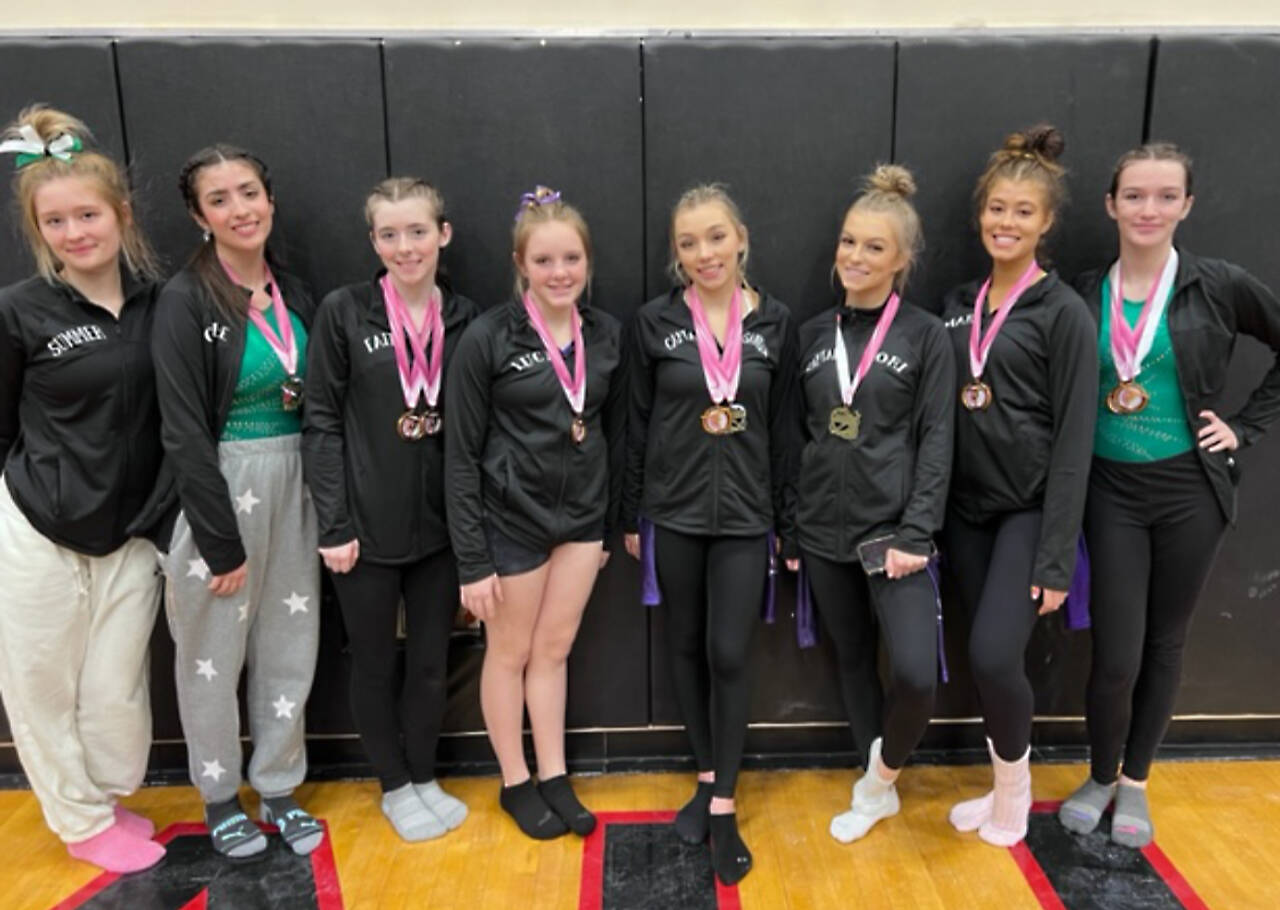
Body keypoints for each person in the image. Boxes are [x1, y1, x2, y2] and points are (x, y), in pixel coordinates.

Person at [1057, 143, 1280, 847]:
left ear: (1186, 205)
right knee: (1115, 652)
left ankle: (1137, 784)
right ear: (1110, 205)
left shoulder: (1219, 285)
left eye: (1164, 196)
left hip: (1190, 490)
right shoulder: (1082, 290)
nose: (1147, 209)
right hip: (1109, 490)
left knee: (1165, 641)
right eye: (1134, 195)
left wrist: (1244, 426)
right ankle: (1099, 774)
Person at [0, 105, 166, 873]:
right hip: (38, 526)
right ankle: (78, 819)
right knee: (40, 687)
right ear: (39, 231)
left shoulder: (162, 303)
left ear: (119, 213)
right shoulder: (20, 310)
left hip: (130, 534)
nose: (77, 232)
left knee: (111, 697)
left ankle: (101, 796)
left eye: (88, 214)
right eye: (56, 220)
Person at [622, 184, 797, 885]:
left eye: (716, 237)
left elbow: (786, 430)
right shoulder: (653, 322)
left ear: (741, 237)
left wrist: (786, 521)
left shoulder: (778, 322)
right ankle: (704, 776)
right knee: (686, 647)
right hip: (674, 511)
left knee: (729, 652)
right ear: (676, 252)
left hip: (748, 517)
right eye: (689, 242)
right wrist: (634, 513)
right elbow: (635, 424)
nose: (704, 253)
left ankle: (724, 802)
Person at [153, 144, 323, 859]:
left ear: (270, 200)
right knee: (210, 656)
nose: (239, 208)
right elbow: (183, 429)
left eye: (248, 192)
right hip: (220, 486)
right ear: (199, 216)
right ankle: (221, 796)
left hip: (296, 481)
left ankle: (279, 785)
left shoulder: (299, 293)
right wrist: (218, 539)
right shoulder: (185, 299)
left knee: (290, 641)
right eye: (219, 199)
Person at [445, 186, 625, 841]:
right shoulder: (487, 337)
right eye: (544, 260)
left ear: (587, 261)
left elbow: (615, 432)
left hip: (580, 523)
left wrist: (607, 525)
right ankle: (515, 781)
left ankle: (554, 774)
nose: (560, 273)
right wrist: (471, 556)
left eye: (571, 258)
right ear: (522, 263)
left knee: (554, 650)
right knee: (510, 652)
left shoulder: (605, 334)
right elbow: (460, 454)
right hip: (509, 524)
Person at [302, 177, 477, 841]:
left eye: (417, 232)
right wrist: (334, 522)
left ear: (443, 234)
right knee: (375, 664)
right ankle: (394, 784)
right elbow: (319, 421)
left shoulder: (464, 318)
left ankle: (425, 774)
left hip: (439, 531)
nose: (405, 248)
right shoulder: (344, 311)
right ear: (373, 240)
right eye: (389, 235)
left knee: (433, 663)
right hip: (363, 535)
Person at [940, 125, 1097, 847]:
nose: (1006, 222)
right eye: (996, 209)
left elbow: (1072, 442)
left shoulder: (1062, 313)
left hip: (1027, 513)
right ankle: (998, 786)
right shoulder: (958, 300)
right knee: (980, 653)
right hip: (964, 513)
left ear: (1047, 222)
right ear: (981, 215)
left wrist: (1056, 556)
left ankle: (1015, 795)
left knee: (997, 654)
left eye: (1022, 212)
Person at [787, 165, 953, 843]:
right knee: (852, 660)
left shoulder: (924, 335)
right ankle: (872, 783)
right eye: (849, 242)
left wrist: (917, 532)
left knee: (914, 673)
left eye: (875, 247)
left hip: (894, 534)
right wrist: (795, 527)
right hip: (823, 531)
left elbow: (939, 438)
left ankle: (879, 779)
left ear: (903, 259)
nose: (856, 257)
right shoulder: (810, 334)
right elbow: (798, 435)